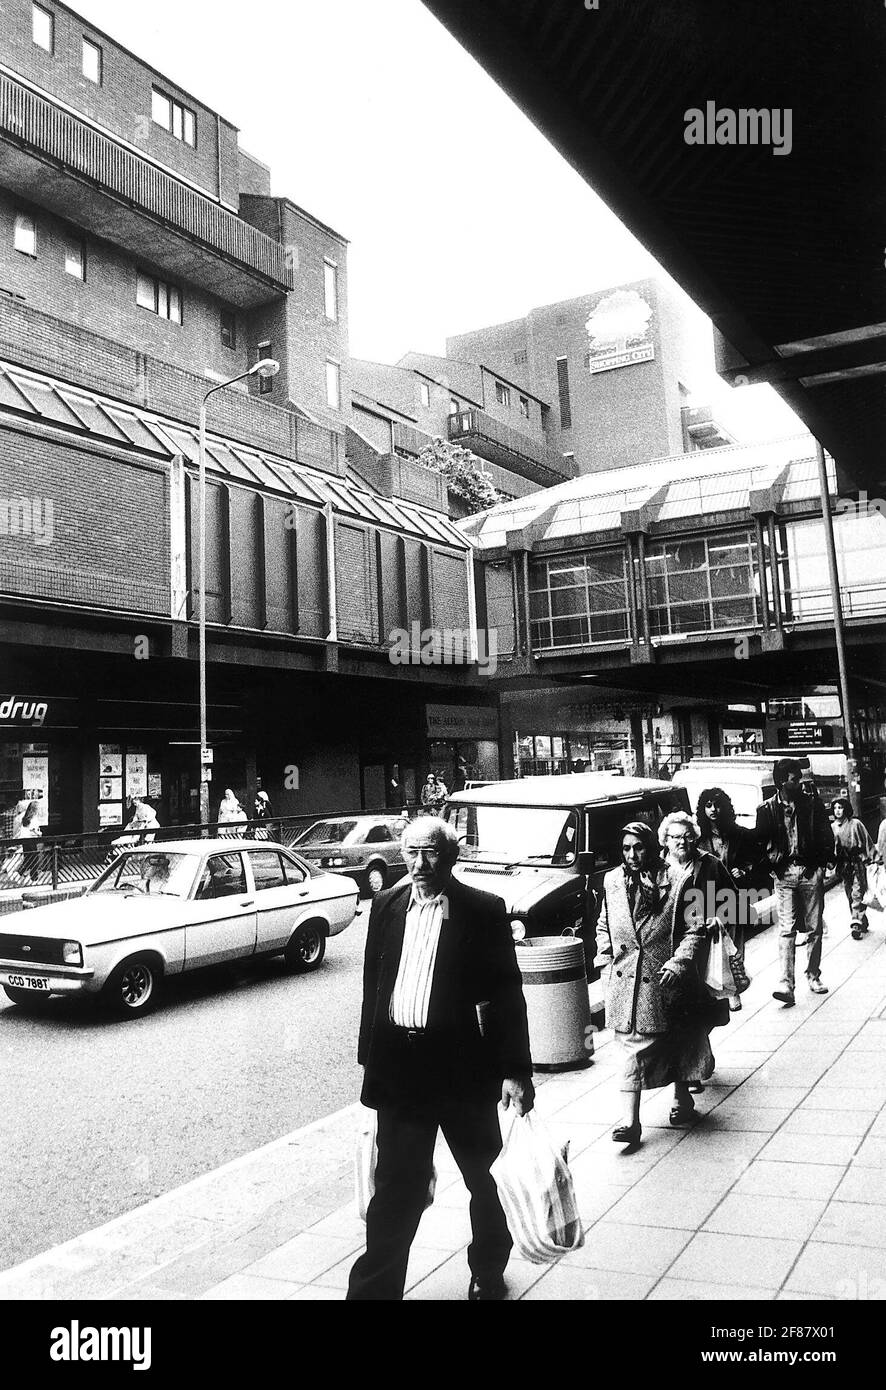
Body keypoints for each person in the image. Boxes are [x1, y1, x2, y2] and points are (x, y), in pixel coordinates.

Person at [347, 816, 533, 1302]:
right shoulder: (387, 906)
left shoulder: (483, 910)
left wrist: (515, 1070)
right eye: (411, 852)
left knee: (484, 1179)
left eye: (430, 852)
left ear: (450, 856)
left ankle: (488, 1268)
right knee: (394, 1190)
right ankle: (373, 1294)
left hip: (461, 1071)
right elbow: (374, 987)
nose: (420, 863)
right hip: (401, 1073)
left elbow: (507, 994)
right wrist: (371, 1061)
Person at [594, 820, 714, 1146]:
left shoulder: (678, 880)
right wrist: (604, 961)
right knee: (631, 1051)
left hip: (665, 979)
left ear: (650, 846)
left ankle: (681, 1100)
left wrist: (679, 962)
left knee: (676, 1042)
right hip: (625, 980)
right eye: (626, 848)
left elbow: (695, 928)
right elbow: (604, 923)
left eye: (639, 847)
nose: (632, 855)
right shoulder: (612, 881)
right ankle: (630, 1122)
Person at [659, 811, 732, 1086]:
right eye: (676, 837)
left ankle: (697, 1062)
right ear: (665, 840)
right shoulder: (657, 870)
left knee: (701, 1012)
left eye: (689, 836)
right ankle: (693, 1067)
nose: (683, 842)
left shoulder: (710, 864)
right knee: (680, 1013)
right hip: (669, 952)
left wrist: (719, 917)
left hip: (702, 951)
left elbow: (734, 899)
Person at [755, 759, 834, 1006]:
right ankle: (786, 983)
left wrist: (822, 866)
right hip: (784, 873)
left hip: (810, 871)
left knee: (814, 927)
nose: (798, 782)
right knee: (786, 929)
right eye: (793, 778)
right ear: (781, 782)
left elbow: (826, 835)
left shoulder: (812, 805)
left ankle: (813, 975)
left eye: (798, 778)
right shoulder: (766, 809)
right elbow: (760, 842)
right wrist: (771, 868)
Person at [696, 787, 762, 1011]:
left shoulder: (739, 834)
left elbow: (754, 860)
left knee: (734, 945)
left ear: (725, 807)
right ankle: (714, 987)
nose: (713, 810)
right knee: (709, 942)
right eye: (708, 805)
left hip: (733, 895)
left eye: (717, 804)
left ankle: (734, 990)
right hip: (707, 896)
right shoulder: (698, 838)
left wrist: (743, 871)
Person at [831, 797, 876, 940]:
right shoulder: (832, 827)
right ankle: (862, 920)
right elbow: (832, 849)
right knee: (850, 895)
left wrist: (874, 858)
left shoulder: (856, 824)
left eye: (840, 807)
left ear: (846, 808)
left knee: (857, 893)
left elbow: (867, 841)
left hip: (857, 863)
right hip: (844, 865)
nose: (838, 810)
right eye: (835, 808)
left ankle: (856, 925)